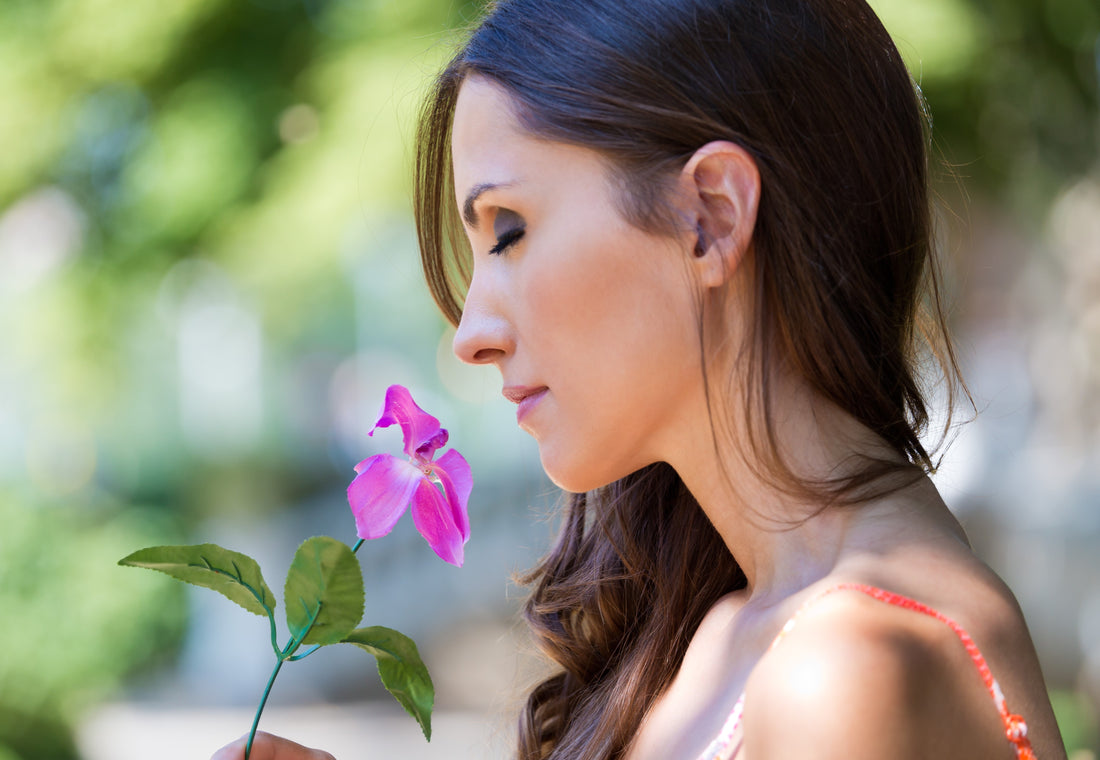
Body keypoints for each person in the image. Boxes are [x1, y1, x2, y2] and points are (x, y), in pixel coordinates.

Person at [213, 0, 1068, 758]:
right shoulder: (736, 626)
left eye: (507, 230)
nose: (470, 335)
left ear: (710, 218)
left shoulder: (848, 665)